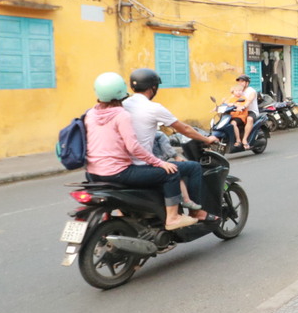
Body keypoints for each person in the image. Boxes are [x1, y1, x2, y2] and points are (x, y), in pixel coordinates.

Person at [83, 72, 212, 230]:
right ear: (153, 88)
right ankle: (177, 217)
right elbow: (133, 146)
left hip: (92, 172)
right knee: (174, 171)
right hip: (120, 171)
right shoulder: (122, 114)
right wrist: (159, 162)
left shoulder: (91, 113)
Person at [123, 68, 220, 213]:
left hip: (122, 164)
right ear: (153, 88)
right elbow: (185, 129)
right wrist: (206, 139)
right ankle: (196, 213)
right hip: (141, 165)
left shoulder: (122, 105)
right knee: (193, 167)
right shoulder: (153, 108)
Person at [229, 74, 259, 149]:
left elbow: (249, 100)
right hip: (240, 112)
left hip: (251, 111)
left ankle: (244, 139)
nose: (240, 83)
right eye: (239, 81)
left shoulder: (252, 91)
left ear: (247, 83)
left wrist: (244, 106)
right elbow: (230, 99)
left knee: (249, 119)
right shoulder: (239, 91)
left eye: (242, 81)